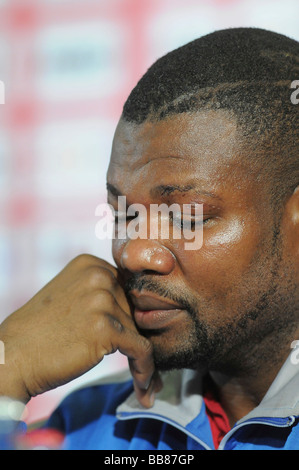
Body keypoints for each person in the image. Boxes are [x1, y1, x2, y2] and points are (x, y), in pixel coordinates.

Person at [1, 27, 299, 450]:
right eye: (124, 214)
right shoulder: (87, 424)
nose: (132, 251)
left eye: (184, 216)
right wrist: (7, 368)